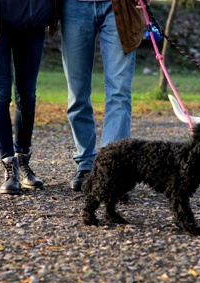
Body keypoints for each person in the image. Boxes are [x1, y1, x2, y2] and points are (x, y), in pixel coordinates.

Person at [61, 0, 147, 191]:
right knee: (77, 92)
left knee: (119, 91)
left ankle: (113, 168)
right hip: (74, 6)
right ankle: (85, 162)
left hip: (119, 5)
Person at [0, 0, 57, 195]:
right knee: (1, 95)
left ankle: (22, 159)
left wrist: (53, 14)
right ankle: (8, 166)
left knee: (27, 96)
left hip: (33, 24)